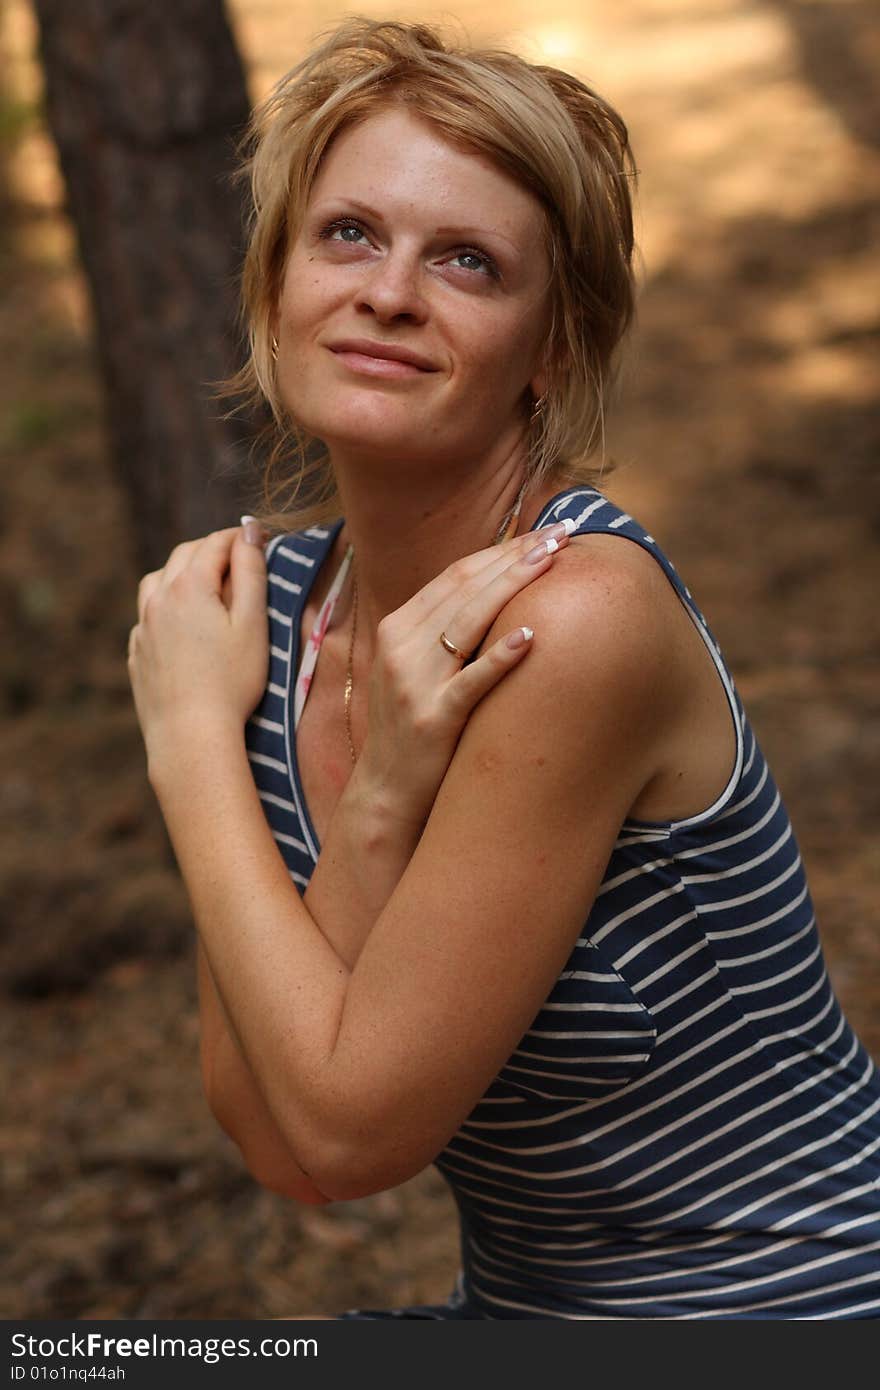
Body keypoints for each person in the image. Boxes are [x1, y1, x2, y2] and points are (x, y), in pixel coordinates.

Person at [127, 17, 880, 1319]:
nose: (389, 291)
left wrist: (191, 742)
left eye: (466, 261)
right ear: (273, 283)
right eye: (347, 233)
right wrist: (371, 809)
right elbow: (274, 1131)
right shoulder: (266, 616)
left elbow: (352, 1140)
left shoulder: (574, 618)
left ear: (554, 350)